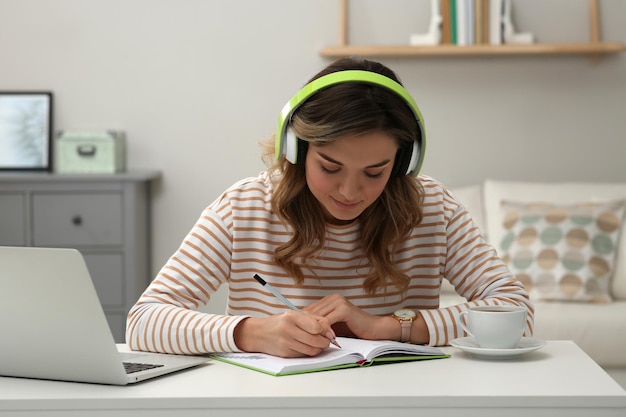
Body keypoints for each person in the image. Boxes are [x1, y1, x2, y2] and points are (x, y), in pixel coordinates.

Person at [126, 56, 533, 358]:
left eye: (375, 171)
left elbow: (516, 312)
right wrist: (251, 333)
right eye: (330, 167)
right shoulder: (243, 208)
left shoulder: (433, 209)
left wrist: (387, 328)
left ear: (405, 162)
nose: (350, 191)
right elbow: (144, 322)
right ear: (296, 149)